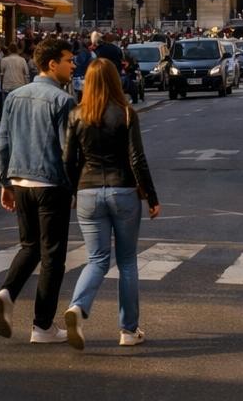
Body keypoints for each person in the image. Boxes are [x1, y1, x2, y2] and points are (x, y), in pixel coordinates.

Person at [63, 59, 160, 350]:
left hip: (88, 192)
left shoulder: (77, 115)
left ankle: (78, 308)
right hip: (123, 191)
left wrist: (71, 193)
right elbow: (137, 159)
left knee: (96, 260)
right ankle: (128, 331)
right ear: (116, 81)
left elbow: (69, 161)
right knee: (127, 261)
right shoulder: (126, 114)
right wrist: (152, 198)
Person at [0, 39, 77, 344]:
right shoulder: (62, 101)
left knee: (29, 246)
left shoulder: (15, 97)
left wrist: (4, 182)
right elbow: (68, 151)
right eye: (69, 60)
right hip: (51, 183)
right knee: (53, 257)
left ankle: (7, 291)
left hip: (21, 181)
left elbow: (3, 142)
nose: (73, 65)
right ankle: (42, 326)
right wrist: (73, 186)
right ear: (52, 64)